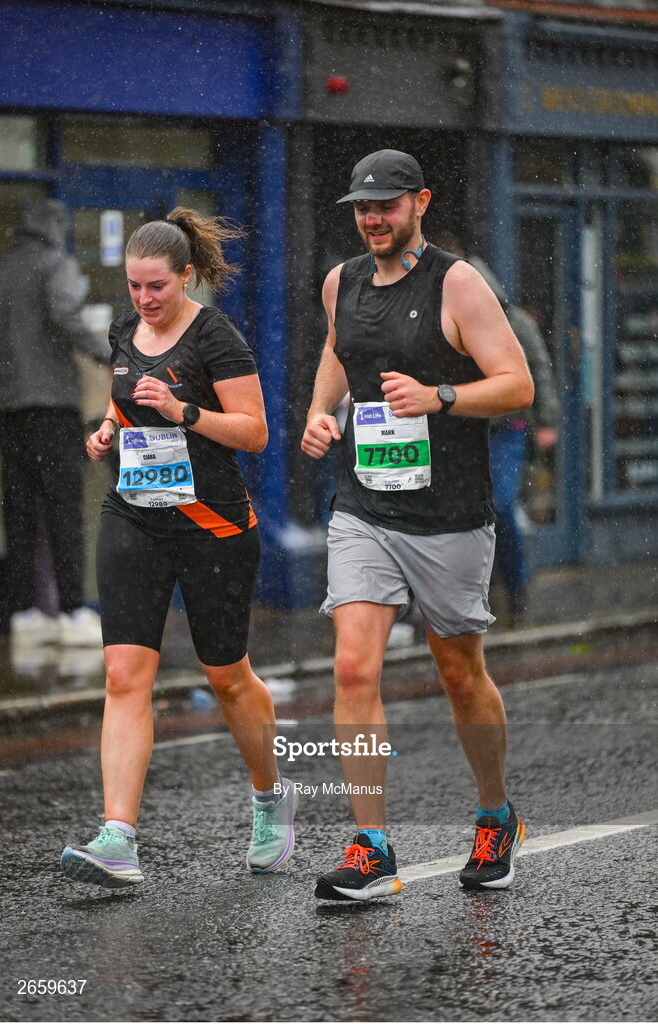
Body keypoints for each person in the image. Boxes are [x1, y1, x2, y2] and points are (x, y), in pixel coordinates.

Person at [301, 150, 534, 900]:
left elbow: (515, 385)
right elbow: (340, 355)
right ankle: (371, 847)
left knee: (460, 675)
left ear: (419, 204)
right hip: (364, 506)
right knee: (352, 668)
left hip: (448, 515)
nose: (372, 219)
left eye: (386, 206)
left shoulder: (457, 283)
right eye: (362, 208)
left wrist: (439, 396)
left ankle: (495, 813)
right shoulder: (343, 281)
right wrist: (319, 414)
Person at [60, 207, 296, 888]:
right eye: (134, 287)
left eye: (155, 287)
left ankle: (268, 797)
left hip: (211, 525)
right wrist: (106, 431)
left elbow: (253, 433)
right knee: (123, 676)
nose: (143, 300)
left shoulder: (217, 337)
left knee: (225, 676)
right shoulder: (124, 331)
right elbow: (120, 403)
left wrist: (183, 411)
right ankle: (118, 838)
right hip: (134, 513)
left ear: (186, 276)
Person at [0, 198, 109, 646]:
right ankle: (72, 612)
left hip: (8, 407)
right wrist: (112, 355)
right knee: (63, 508)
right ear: (55, 227)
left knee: (19, 510)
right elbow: (65, 315)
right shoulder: (57, 265)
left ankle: (26, 614)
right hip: (53, 406)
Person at [433, 234, 559, 625]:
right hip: (455, 431)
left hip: (505, 430)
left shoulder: (510, 318)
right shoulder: (435, 316)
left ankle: (515, 588)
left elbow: (537, 367)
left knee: (499, 507)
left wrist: (548, 420)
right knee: (457, 512)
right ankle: (466, 595)